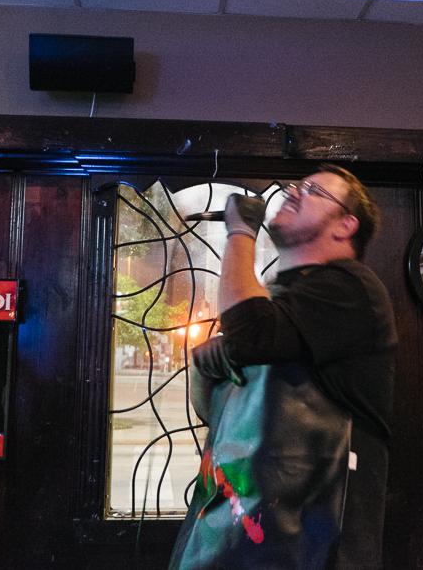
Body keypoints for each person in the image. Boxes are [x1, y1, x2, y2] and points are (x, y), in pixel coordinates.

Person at [169, 165, 398, 570]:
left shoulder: (350, 287)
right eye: (296, 185)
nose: (294, 192)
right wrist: (206, 368)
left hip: (310, 550)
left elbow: (251, 334)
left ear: (345, 225)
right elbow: (218, 418)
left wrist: (241, 231)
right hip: (234, 536)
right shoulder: (275, 298)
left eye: (313, 191)